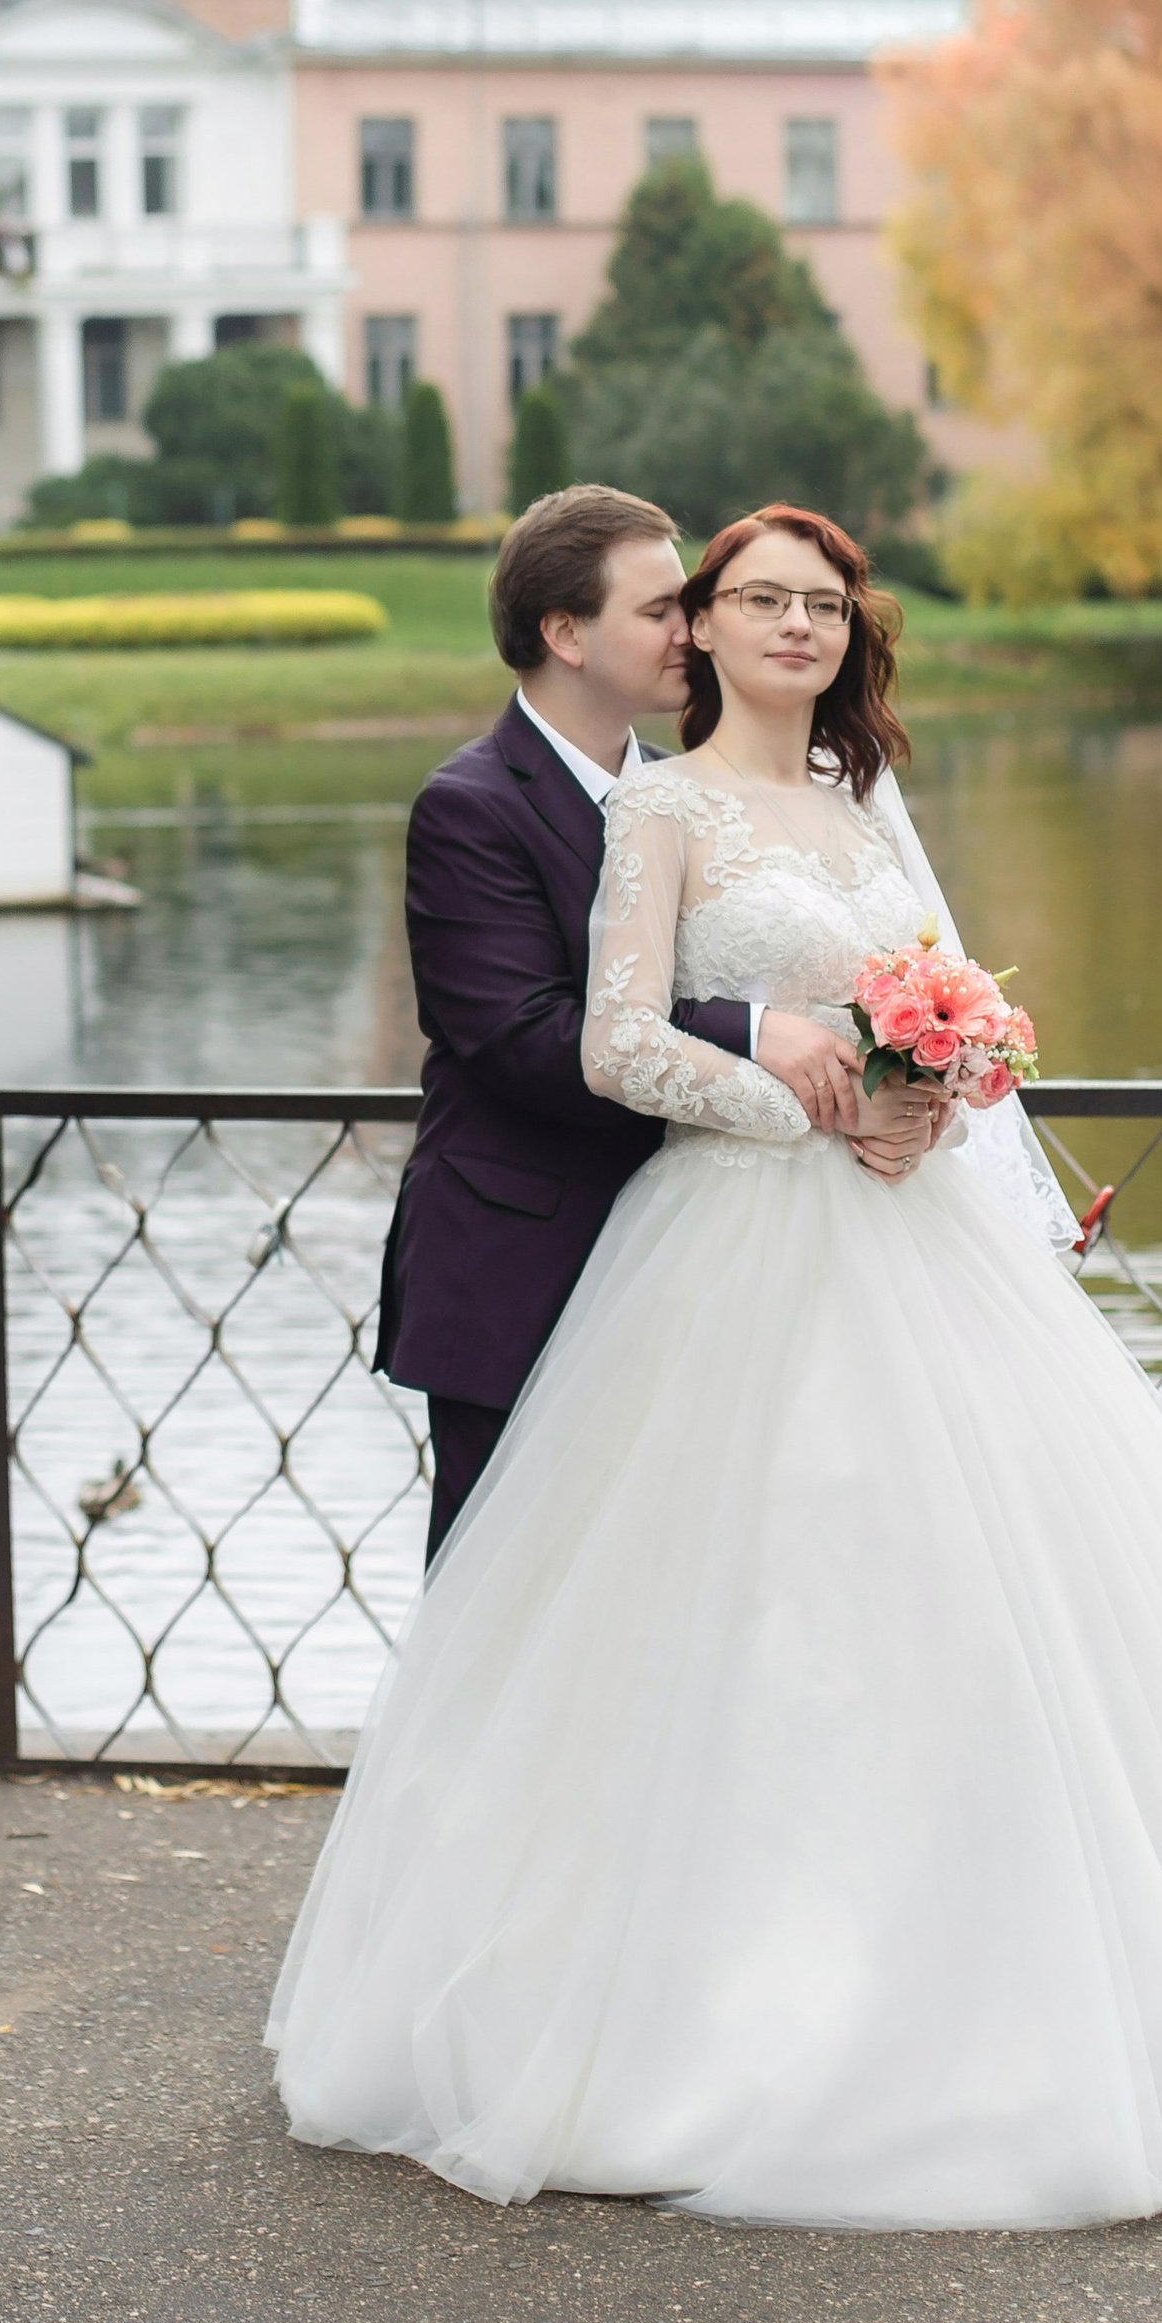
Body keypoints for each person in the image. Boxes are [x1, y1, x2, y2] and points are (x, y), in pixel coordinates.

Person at [274, 502, 1162, 2230]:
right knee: (629, 1639)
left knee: (948, 1608)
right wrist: (801, 1090)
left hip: (899, 1241)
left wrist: (932, 1089)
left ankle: (1006, 1985)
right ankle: (570, 1993)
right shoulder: (632, 802)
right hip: (690, 1251)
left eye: (822, 602)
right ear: (688, 629)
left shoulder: (866, 804)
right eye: (740, 601)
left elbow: (937, 1000)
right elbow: (583, 1037)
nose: (784, 625)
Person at [373, 485, 942, 1557]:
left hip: (739, 1256)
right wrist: (750, 1027)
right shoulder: (472, 805)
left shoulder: (701, 792)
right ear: (564, 633)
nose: (690, 628)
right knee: (513, 1592)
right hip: (531, 1255)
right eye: (660, 610)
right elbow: (523, 1036)